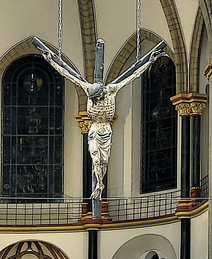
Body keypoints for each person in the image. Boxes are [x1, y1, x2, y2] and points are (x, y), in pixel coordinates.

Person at [32, 35, 168, 211]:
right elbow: (66, 71)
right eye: (93, 100)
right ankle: (98, 187)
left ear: (100, 94)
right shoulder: (88, 89)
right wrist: (50, 58)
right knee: (96, 158)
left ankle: (100, 185)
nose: (95, 101)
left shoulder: (112, 90)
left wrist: (150, 59)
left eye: (96, 99)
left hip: (105, 129)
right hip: (95, 128)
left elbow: (134, 73)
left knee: (103, 161)